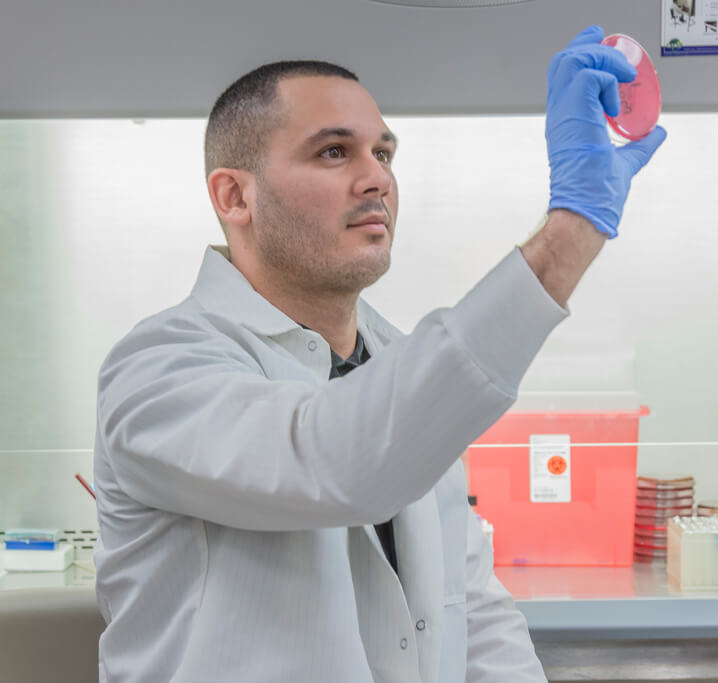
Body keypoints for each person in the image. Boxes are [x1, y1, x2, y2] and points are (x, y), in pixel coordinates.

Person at [92, 24, 665, 683]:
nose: (377, 179)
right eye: (334, 153)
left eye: (384, 153)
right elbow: (337, 462)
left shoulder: (397, 361)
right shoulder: (157, 370)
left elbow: (470, 611)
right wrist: (570, 231)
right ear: (235, 196)